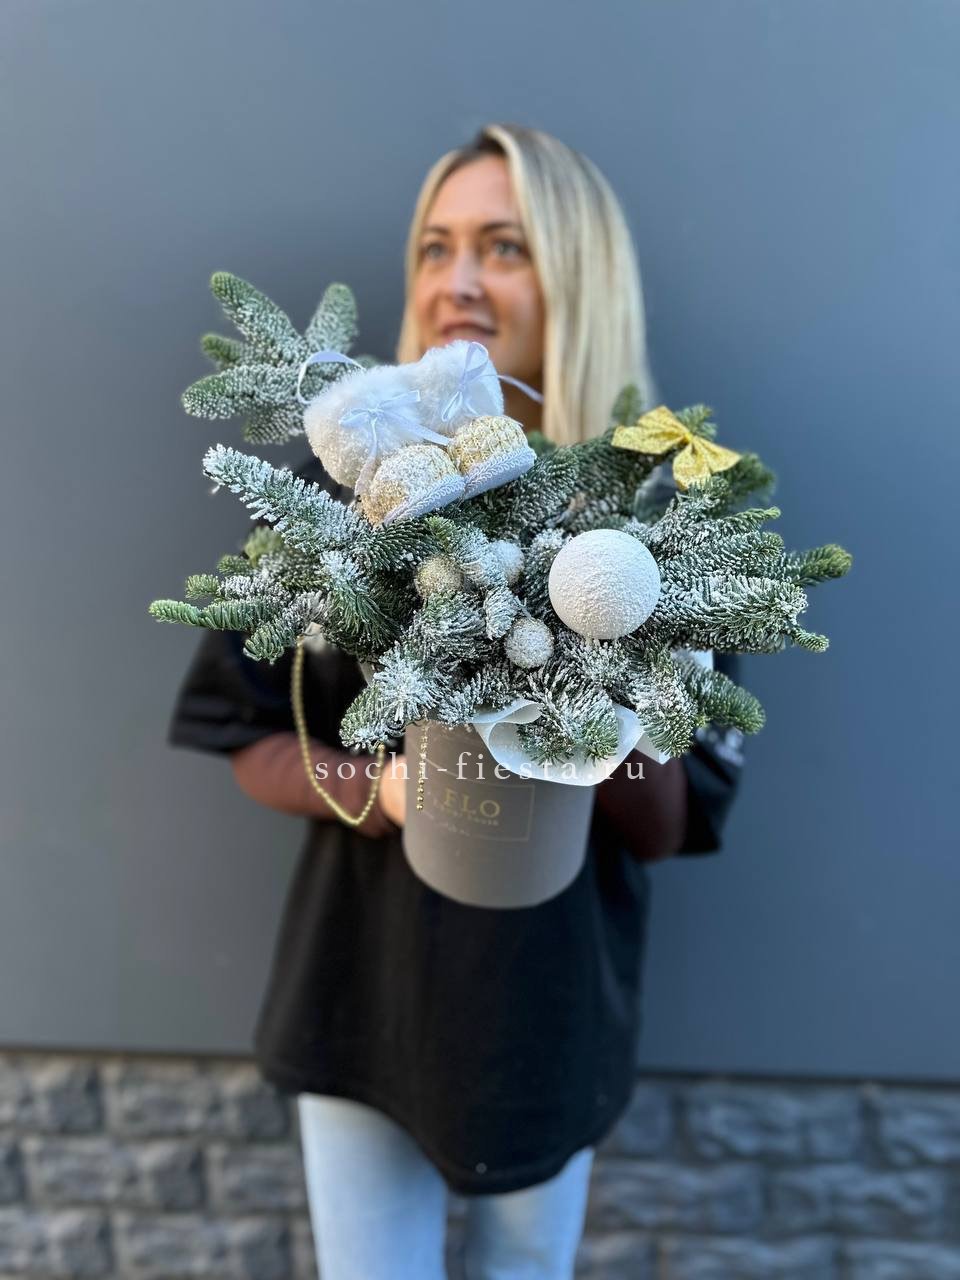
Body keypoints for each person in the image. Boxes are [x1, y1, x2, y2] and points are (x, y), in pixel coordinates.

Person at [166, 123, 744, 1280]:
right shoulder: (347, 501)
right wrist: (381, 789)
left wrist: (592, 633)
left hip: (551, 1020)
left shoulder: (666, 524)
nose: (459, 280)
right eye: (436, 247)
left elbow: (667, 822)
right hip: (359, 999)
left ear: (577, 275)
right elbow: (246, 730)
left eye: (504, 247)